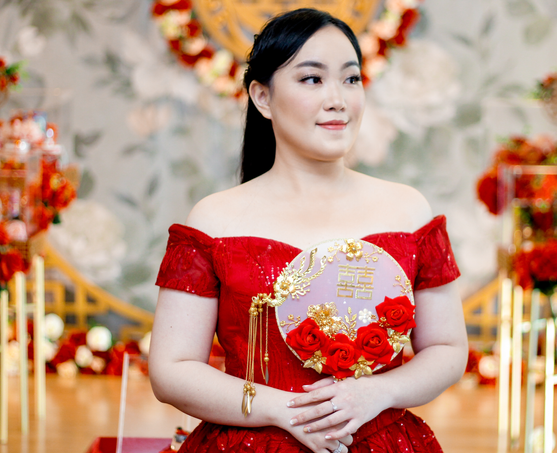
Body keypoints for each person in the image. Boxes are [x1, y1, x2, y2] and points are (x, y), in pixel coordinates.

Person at [150, 8, 468, 453]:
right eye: (312, 79)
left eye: (351, 79)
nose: (338, 98)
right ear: (262, 97)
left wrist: (378, 393)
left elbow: (448, 348)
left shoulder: (408, 211)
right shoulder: (213, 220)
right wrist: (284, 410)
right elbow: (172, 369)